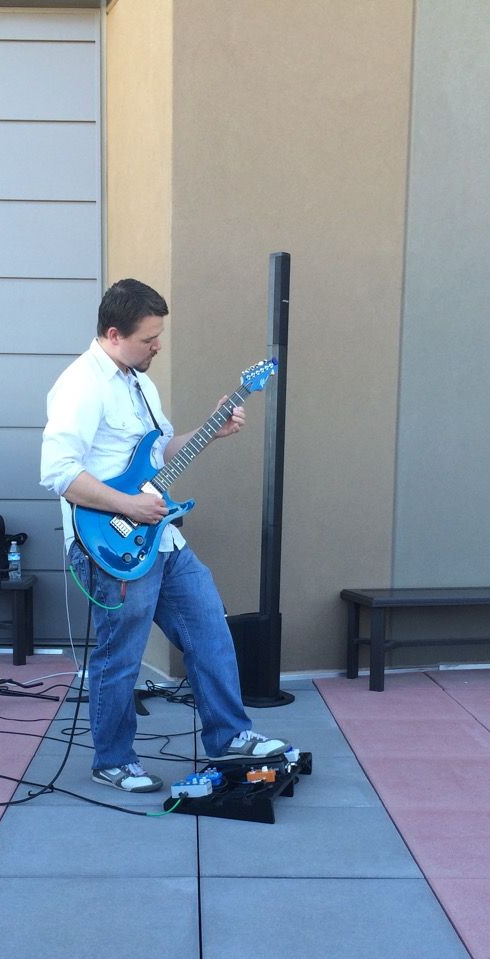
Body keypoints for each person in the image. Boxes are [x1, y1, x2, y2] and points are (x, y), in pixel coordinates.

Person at [40, 277, 290, 793]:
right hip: (110, 544)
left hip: (161, 538)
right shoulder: (80, 385)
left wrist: (212, 429)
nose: (158, 346)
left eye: (159, 336)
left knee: (210, 629)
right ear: (114, 334)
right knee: (120, 655)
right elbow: (58, 472)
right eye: (149, 338)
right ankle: (113, 760)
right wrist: (129, 504)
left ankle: (230, 736)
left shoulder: (140, 383)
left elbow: (156, 455)